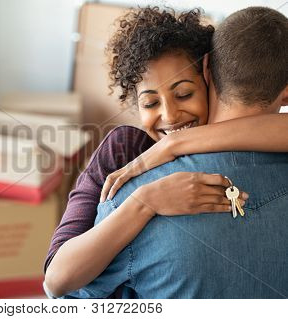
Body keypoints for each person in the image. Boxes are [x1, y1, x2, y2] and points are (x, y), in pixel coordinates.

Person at [44, 6, 288, 298]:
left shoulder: (152, 170)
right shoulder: (122, 157)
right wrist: (144, 202)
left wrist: (176, 145)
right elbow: (57, 280)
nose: (171, 115)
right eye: (150, 104)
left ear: (207, 74)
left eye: (184, 94)